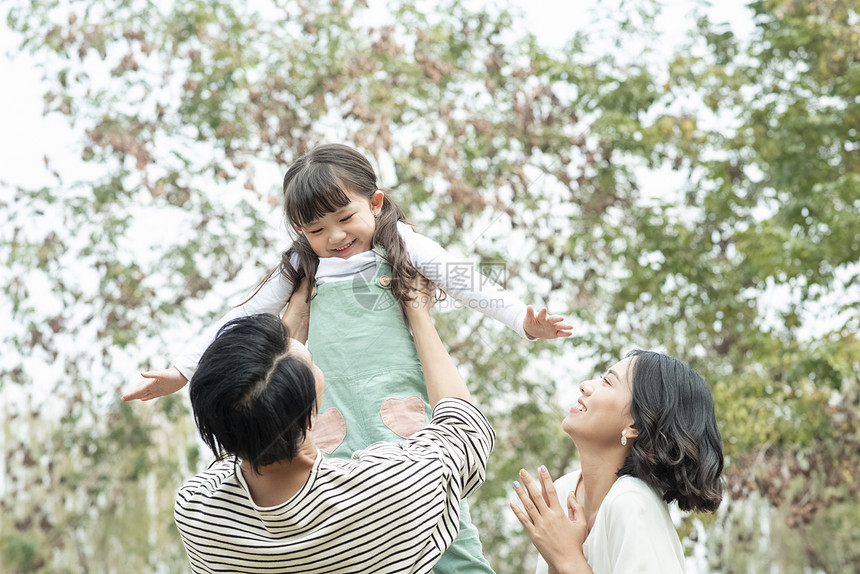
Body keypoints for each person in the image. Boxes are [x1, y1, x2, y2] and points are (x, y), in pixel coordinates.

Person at [124, 143, 572, 573]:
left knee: (448, 532)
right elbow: (244, 315)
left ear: (375, 202)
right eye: (316, 230)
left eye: (345, 219)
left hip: (404, 416)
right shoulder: (302, 266)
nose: (335, 237)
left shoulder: (399, 243)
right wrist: (183, 370)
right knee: (346, 521)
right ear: (301, 231)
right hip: (330, 425)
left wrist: (522, 320)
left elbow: (465, 280)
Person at [174, 279, 495, 573]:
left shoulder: (197, 514)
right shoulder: (390, 489)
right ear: (312, 416)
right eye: (312, 362)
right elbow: (464, 428)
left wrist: (293, 319)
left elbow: (246, 425)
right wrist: (419, 313)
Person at [510, 351, 724, 574]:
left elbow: (568, 561)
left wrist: (567, 559)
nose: (585, 386)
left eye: (607, 382)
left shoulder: (631, 502)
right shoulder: (562, 492)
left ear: (635, 426)